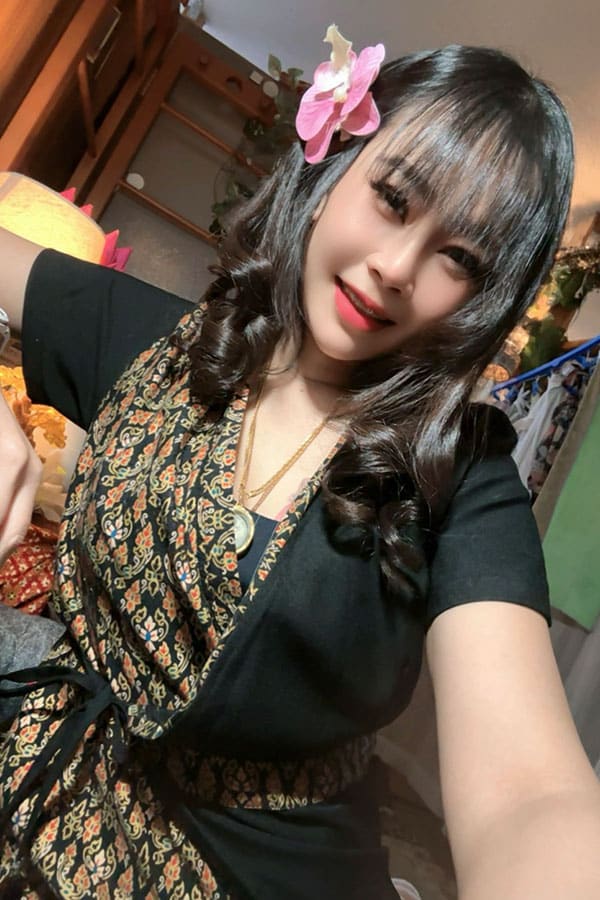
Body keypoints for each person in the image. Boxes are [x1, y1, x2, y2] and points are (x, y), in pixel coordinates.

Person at [1, 33, 600, 900]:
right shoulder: (160, 344)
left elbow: (530, 794)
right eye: (393, 198)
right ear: (336, 167)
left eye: (460, 259)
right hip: (35, 769)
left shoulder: (462, 477)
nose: (395, 267)